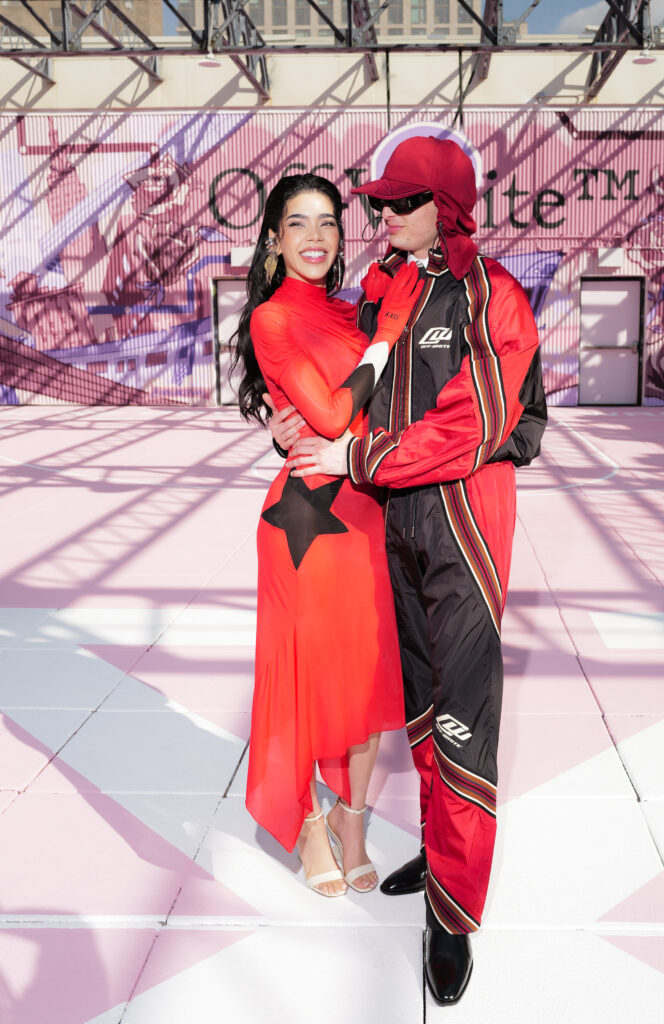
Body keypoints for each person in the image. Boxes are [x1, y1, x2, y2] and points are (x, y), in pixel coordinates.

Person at [285, 137, 547, 1003]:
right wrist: (283, 416)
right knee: (421, 705)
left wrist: (356, 457)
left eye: (403, 202)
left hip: (463, 522)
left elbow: (474, 425)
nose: (384, 215)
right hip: (390, 522)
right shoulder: (386, 287)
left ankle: (454, 915)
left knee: (463, 715)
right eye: (379, 203)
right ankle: (440, 859)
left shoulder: (492, 293)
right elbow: (335, 376)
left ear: (448, 207)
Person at [232, 173, 423, 898]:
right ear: (273, 239)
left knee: (366, 681)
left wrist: (381, 335)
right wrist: (386, 340)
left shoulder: (351, 313)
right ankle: (309, 821)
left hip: (369, 513)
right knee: (309, 682)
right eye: (298, 223)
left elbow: (382, 408)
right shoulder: (272, 318)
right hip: (306, 525)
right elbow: (334, 415)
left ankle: (352, 818)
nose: (315, 237)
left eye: (328, 222)